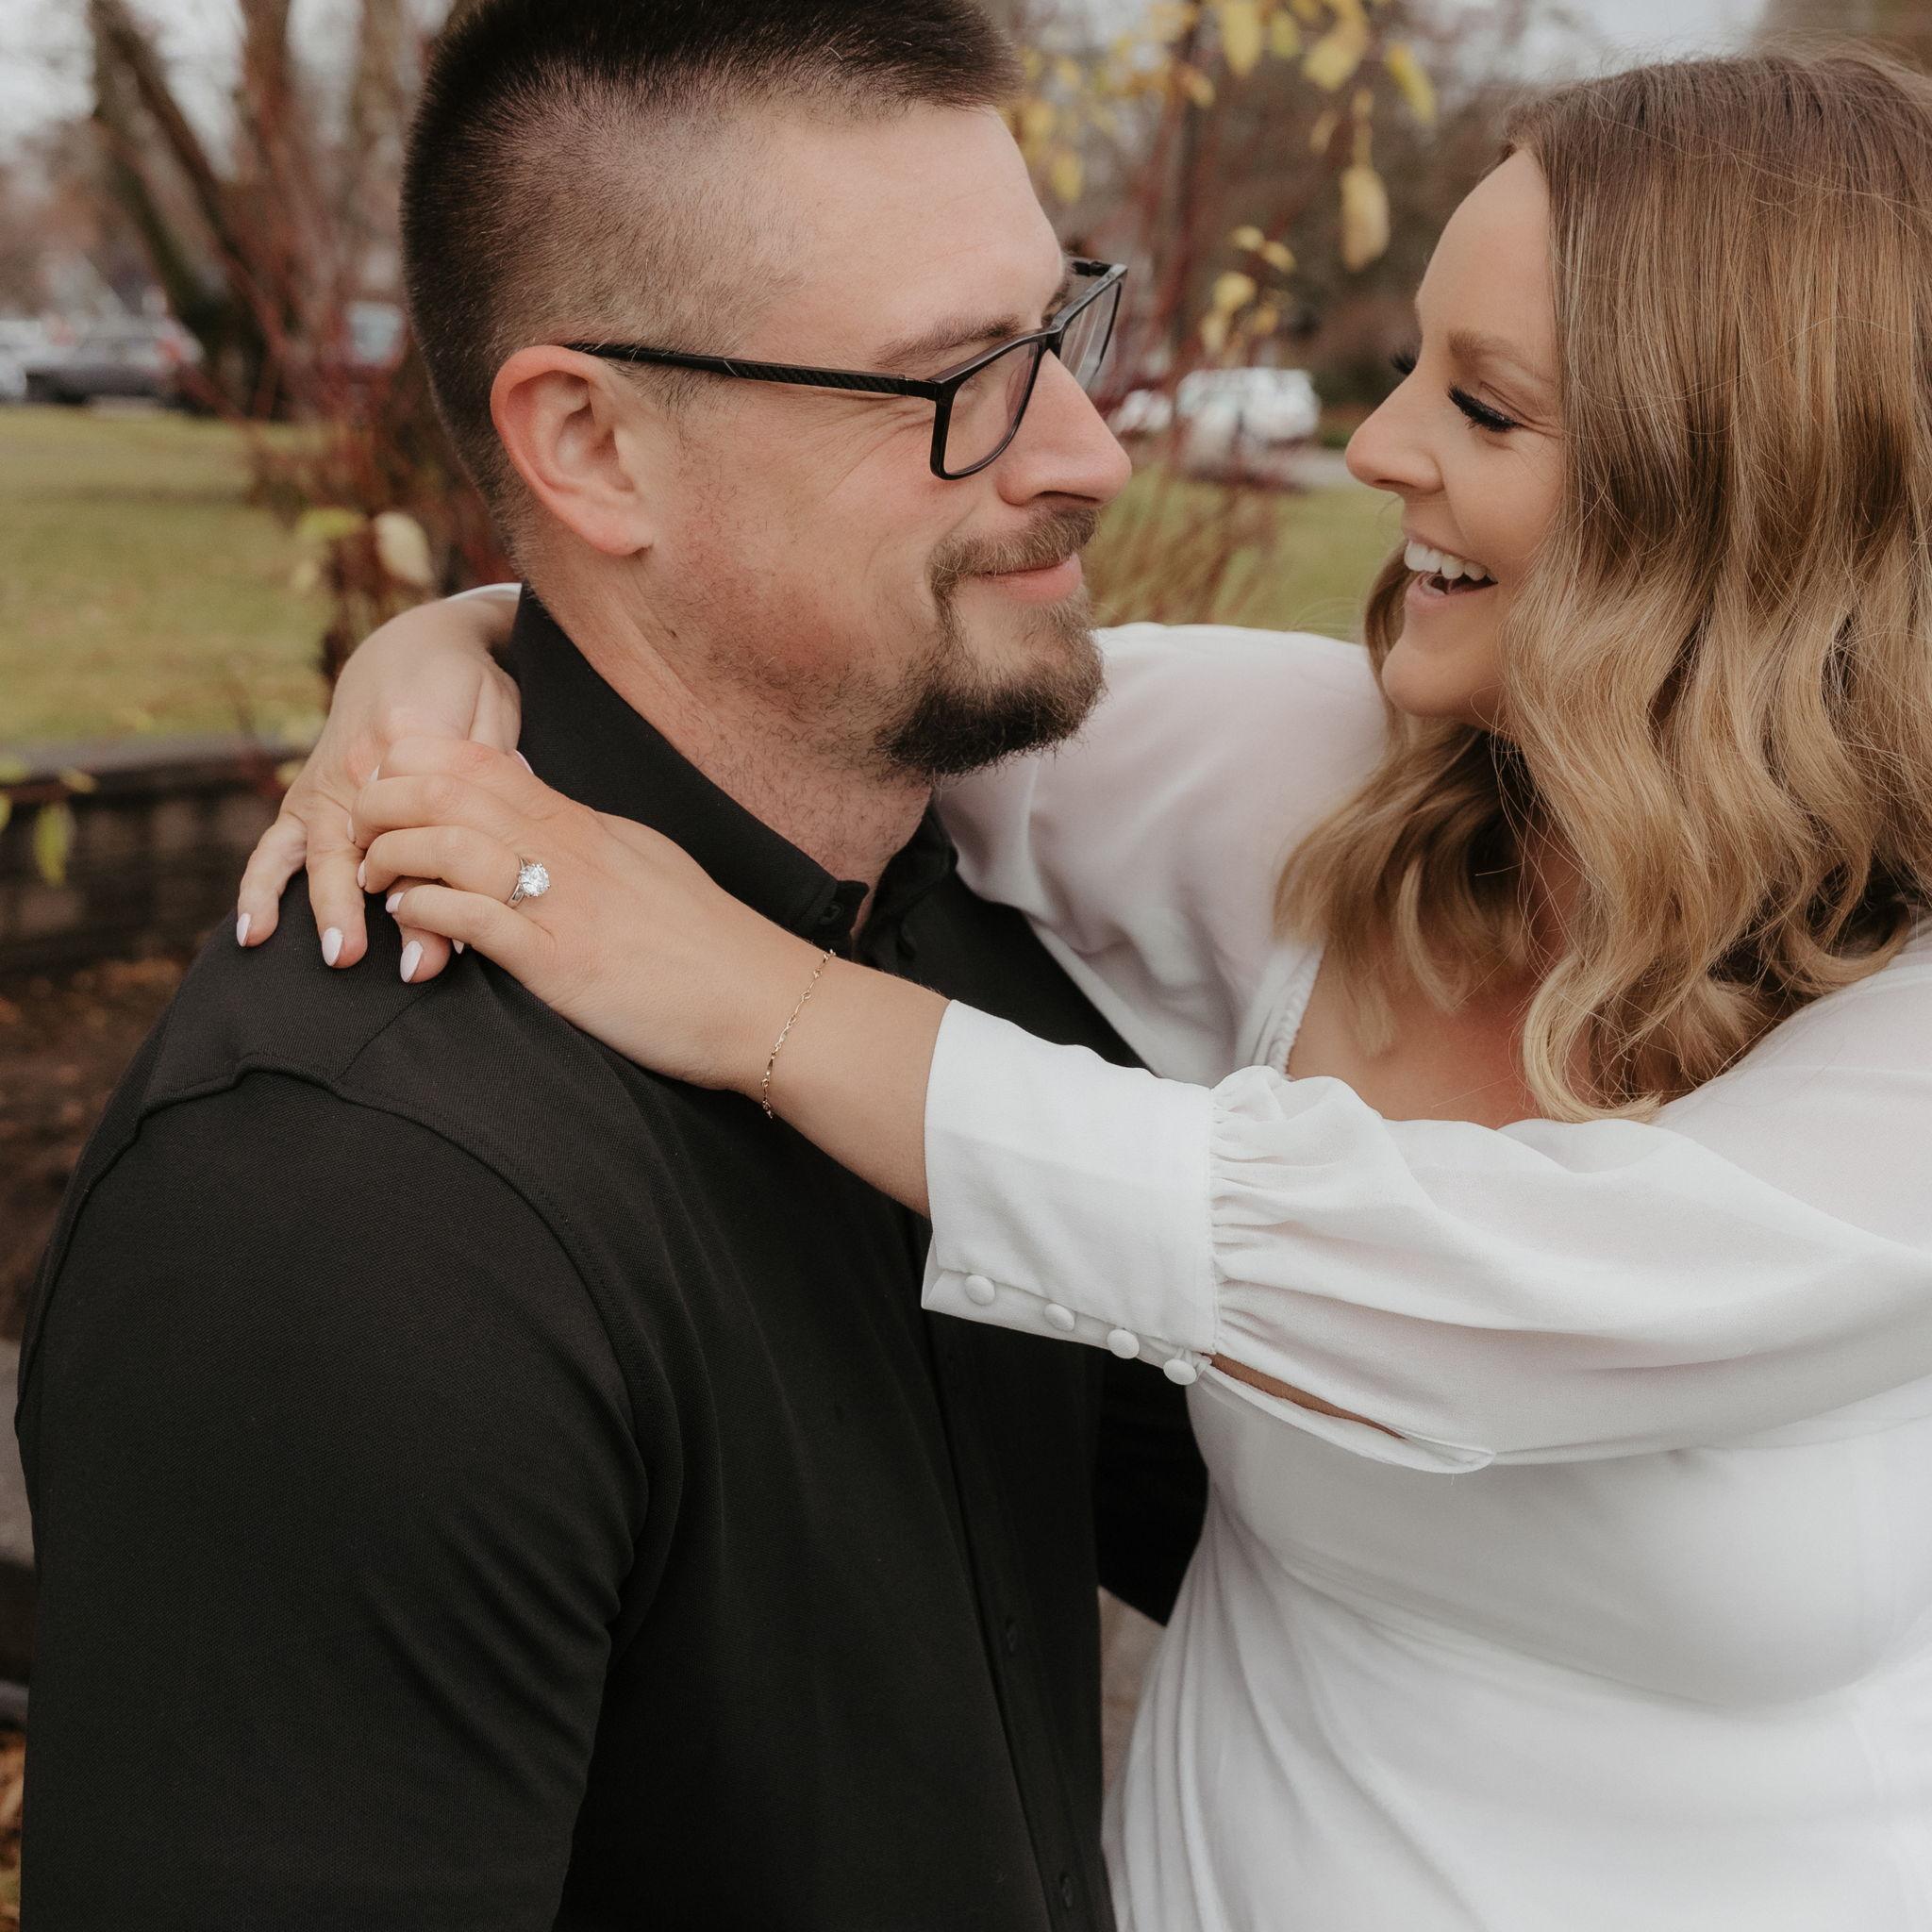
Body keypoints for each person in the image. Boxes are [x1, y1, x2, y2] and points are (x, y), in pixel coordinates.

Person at [243, 48, 1932, 1932]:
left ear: (1744, 491)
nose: (1377, 448)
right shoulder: (1317, 779)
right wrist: (449, 653)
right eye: (1407, 372)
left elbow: (1473, 1295)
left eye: (1482, 404)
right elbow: (825, 670)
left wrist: (765, 1007)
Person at [17, 2, 1211, 1925]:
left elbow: (1325, 1539)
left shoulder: (984, 931)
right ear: (591, 445)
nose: (1087, 451)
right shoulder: (348, 1209)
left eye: (1060, 328)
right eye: (962, 378)